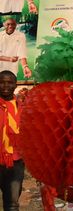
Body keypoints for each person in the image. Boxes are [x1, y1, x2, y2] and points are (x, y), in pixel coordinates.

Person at [0, 70, 24, 211]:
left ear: (15, 85)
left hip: (15, 163)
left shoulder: (23, 107)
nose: (5, 86)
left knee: (12, 204)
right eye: (2, 82)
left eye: (9, 82)